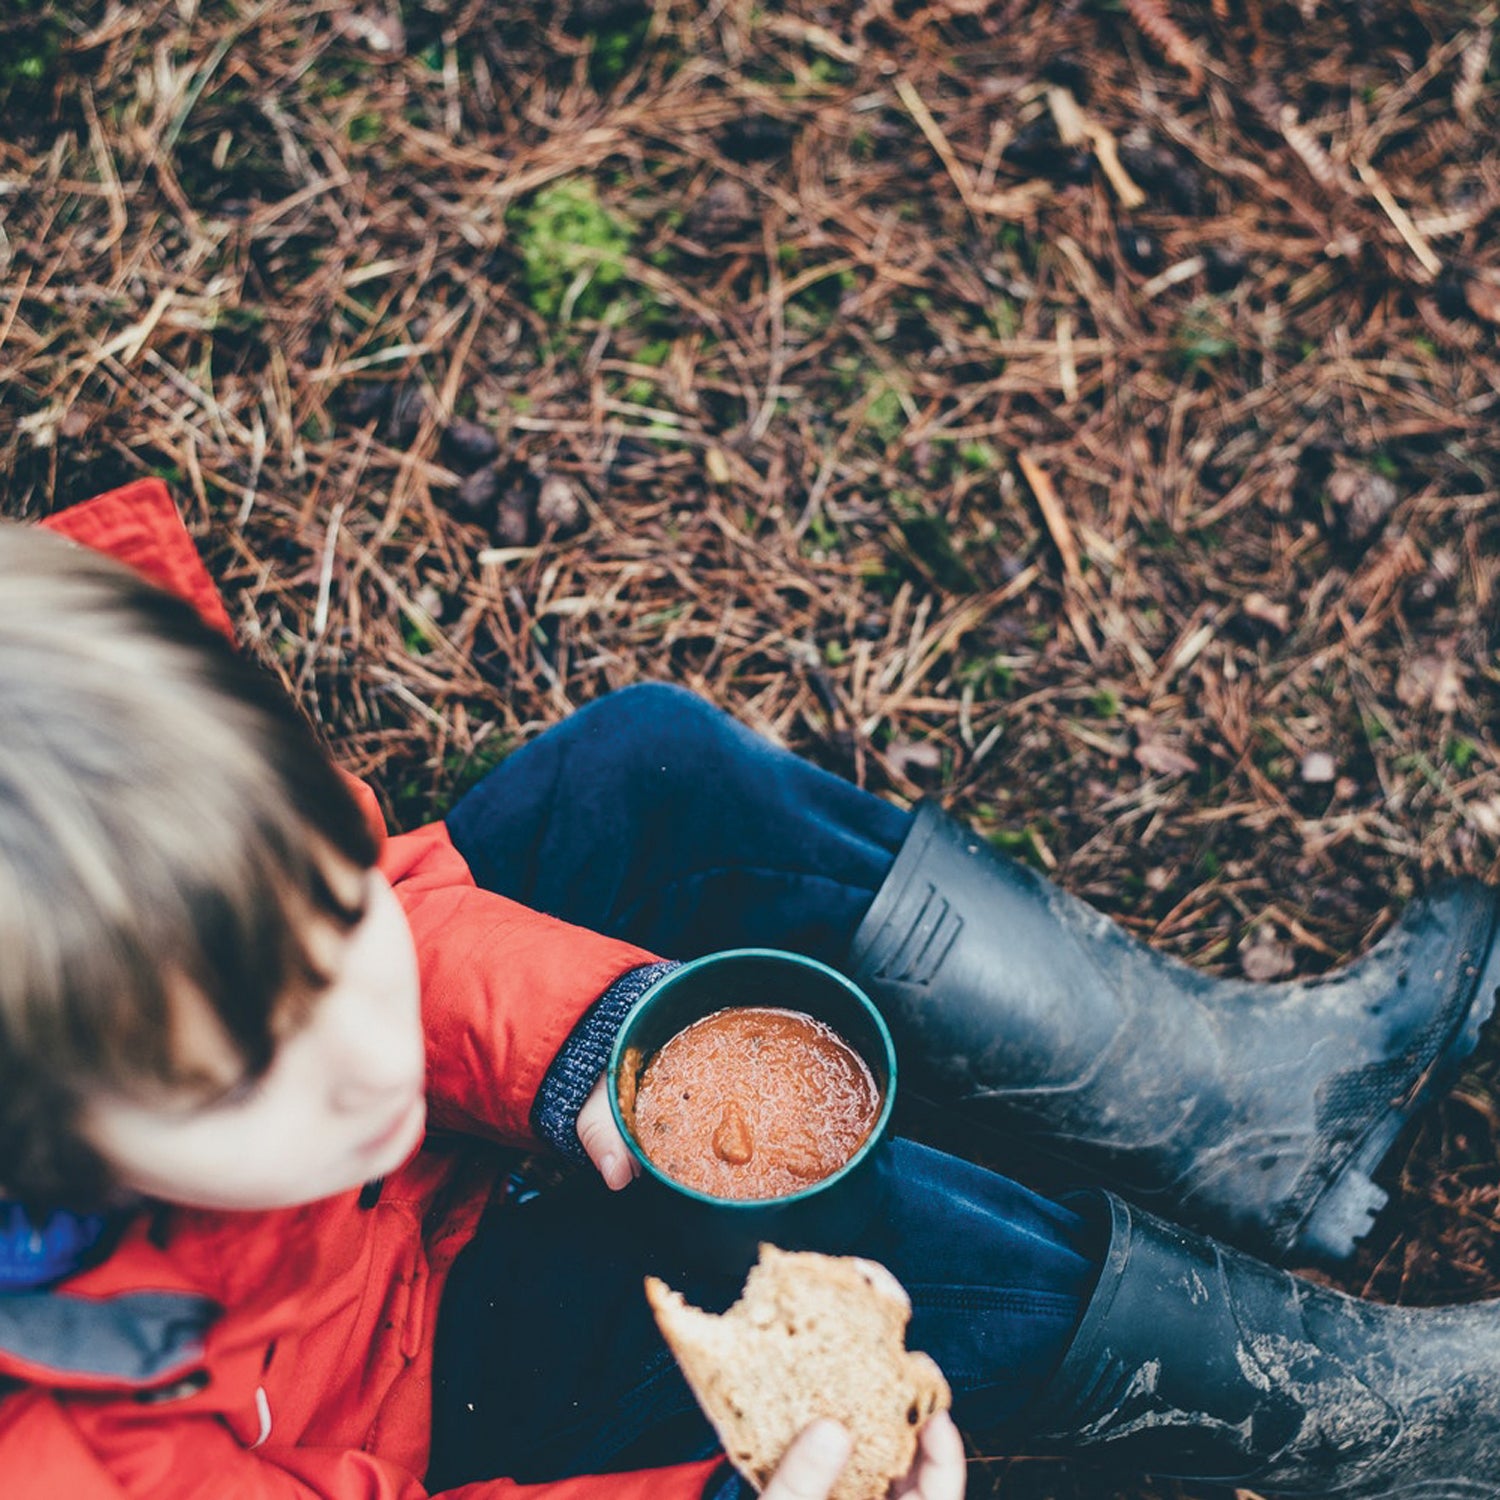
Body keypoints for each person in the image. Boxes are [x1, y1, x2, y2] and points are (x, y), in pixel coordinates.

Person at [1, 480, 1498, 1500]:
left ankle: (1258, 1112)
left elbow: (393, 891)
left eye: (324, 921)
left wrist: (580, 1041)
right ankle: (1368, 1415)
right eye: (260, 1055)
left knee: (644, 776)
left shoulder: (97, 781)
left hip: (405, 1196)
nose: (364, 1036)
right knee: (860, 1258)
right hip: (413, 1413)